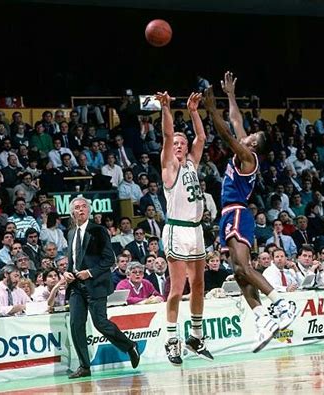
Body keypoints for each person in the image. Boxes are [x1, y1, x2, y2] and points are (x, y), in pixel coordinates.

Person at [203, 72, 296, 353]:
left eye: (252, 136)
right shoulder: (247, 150)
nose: (247, 135)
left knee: (244, 267)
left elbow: (224, 132)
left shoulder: (246, 156)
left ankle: (280, 302)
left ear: (253, 145)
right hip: (228, 214)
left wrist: (210, 109)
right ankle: (262, 319)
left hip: (237, 213)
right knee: (238, 272)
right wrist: (230, 95)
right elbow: (235, 120)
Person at [155, 89, 213, 365]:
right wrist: (166, 108)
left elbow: (201, 137)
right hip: (177, 230)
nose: (178, 145)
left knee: (198, 285)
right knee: (177, 289)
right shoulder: (169, 167)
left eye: (182, 142)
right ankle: (171, 340)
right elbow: (167, 135)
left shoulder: (191, 163)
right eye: (175, 142)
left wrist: (193, 112)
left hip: (196, 230)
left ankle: (196, 337)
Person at [63, 196, 139, 379]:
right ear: (72, 212)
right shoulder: (71, 233)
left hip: (95, 284)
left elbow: (108, 259)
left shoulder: (98, 230)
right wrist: (66, 272)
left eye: (83, 207)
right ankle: (84, 366)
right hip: (75, 285)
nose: (80, 210)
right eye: (77, 208)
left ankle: (129, 346)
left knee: (100, 323)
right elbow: (73, 259)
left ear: (88, 211)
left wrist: (90, 272)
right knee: (75, 325)